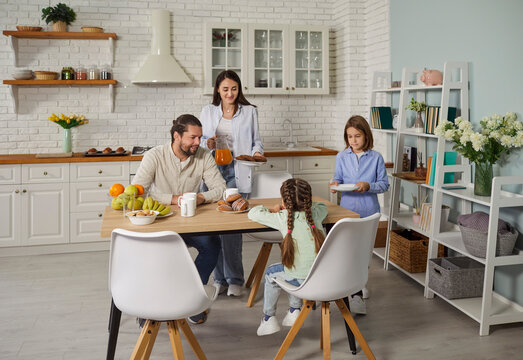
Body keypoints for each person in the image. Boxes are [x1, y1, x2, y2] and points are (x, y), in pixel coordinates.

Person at [132, 114, 226, 324]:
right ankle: (147, 305)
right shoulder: (154, 156)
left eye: (199, 138)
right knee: (153, 256)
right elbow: (138, 192)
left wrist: (201, 197)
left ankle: (191, 297)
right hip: (160, 223)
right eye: (192, 138)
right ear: (177, 136)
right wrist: (172, 199)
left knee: (212, 245)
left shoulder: (203, 156)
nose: (197, 143)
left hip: (190, 223)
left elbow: (221, 189)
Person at [200, 70, 264, 297]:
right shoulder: (207, 111)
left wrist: (256, 155)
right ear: (217, 89)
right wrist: (206, 142)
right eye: (225, 89)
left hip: (239, 170)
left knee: (233, 230)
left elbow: (257, 142)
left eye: (234, 88)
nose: (230, 93)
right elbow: (199, 141)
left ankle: (235, 279)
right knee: (215, 228)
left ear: (239, 89)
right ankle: (219, 279)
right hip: (212, 172)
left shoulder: (250, 112)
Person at [248, 178, 328, 336]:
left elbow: (253, 213)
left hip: (300, 281)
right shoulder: (316, 213)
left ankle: (269, 318)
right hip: (322, 278)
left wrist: (274, 208)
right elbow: (323, 206)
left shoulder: (282, 217)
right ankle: (294, 310)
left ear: (285, 201)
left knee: (273, 272)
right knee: (294, 265)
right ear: (308, 200)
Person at [329, 115, 389, 314]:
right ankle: (354, 290)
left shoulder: (376, 158)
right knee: (348, 250)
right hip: (347, 211)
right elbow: (338, 178)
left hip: (369, 213)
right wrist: (335, 184)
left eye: (357, 136)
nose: (353, 141)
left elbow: (383, 185)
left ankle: (360, 282)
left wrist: (368, 185)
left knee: (363, 252)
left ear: (366, 136)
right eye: (349, 137)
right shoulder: (341, 157)